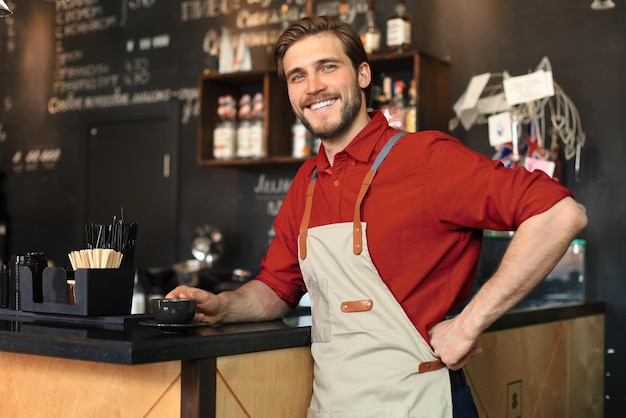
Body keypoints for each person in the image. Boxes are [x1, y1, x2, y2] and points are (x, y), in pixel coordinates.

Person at [168, 15, 588, 417]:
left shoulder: (424, 157)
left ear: (363, 75)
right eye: (298, 76)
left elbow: (560, 215)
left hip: (421, 405)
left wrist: (468, 323)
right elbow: (277, 288)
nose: (313, 87)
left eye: (327, 67)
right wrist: (222, 306)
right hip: (332, 407)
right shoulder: (307, 182)